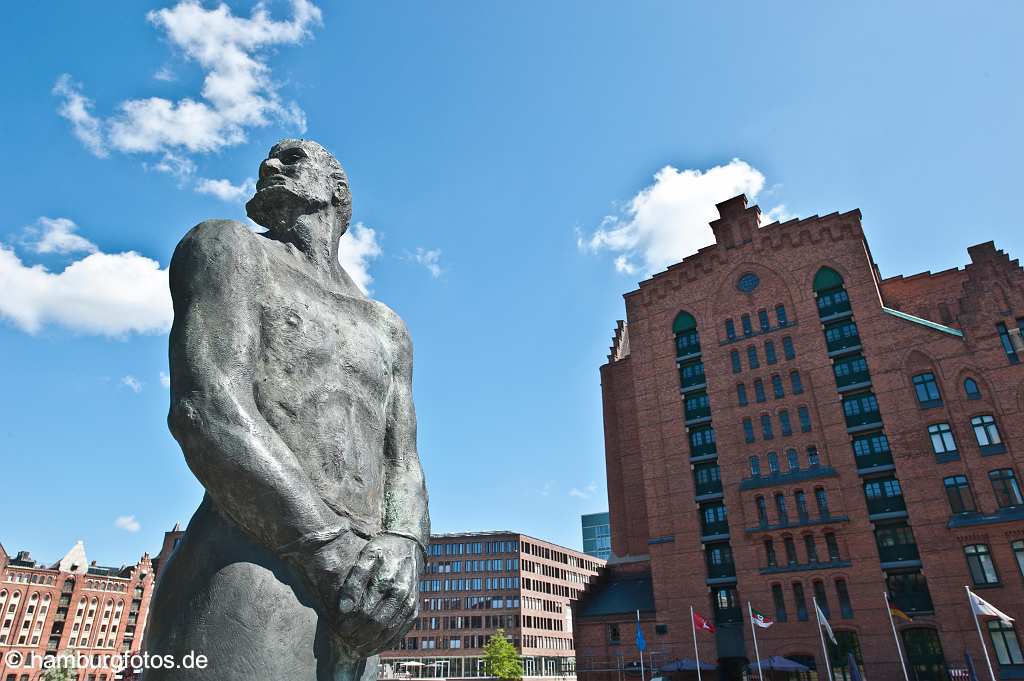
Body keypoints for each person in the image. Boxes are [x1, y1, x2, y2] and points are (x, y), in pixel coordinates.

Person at [144, 139, 430, 681]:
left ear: (336, 191)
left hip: (355, 609)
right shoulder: (228, 248)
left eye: (291, 159)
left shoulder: (388, 328)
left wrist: (405, 547)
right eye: (268, 161)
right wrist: (330, 549)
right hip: (247, 577)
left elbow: (403, 462)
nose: (270, 166)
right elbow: (208, 408)